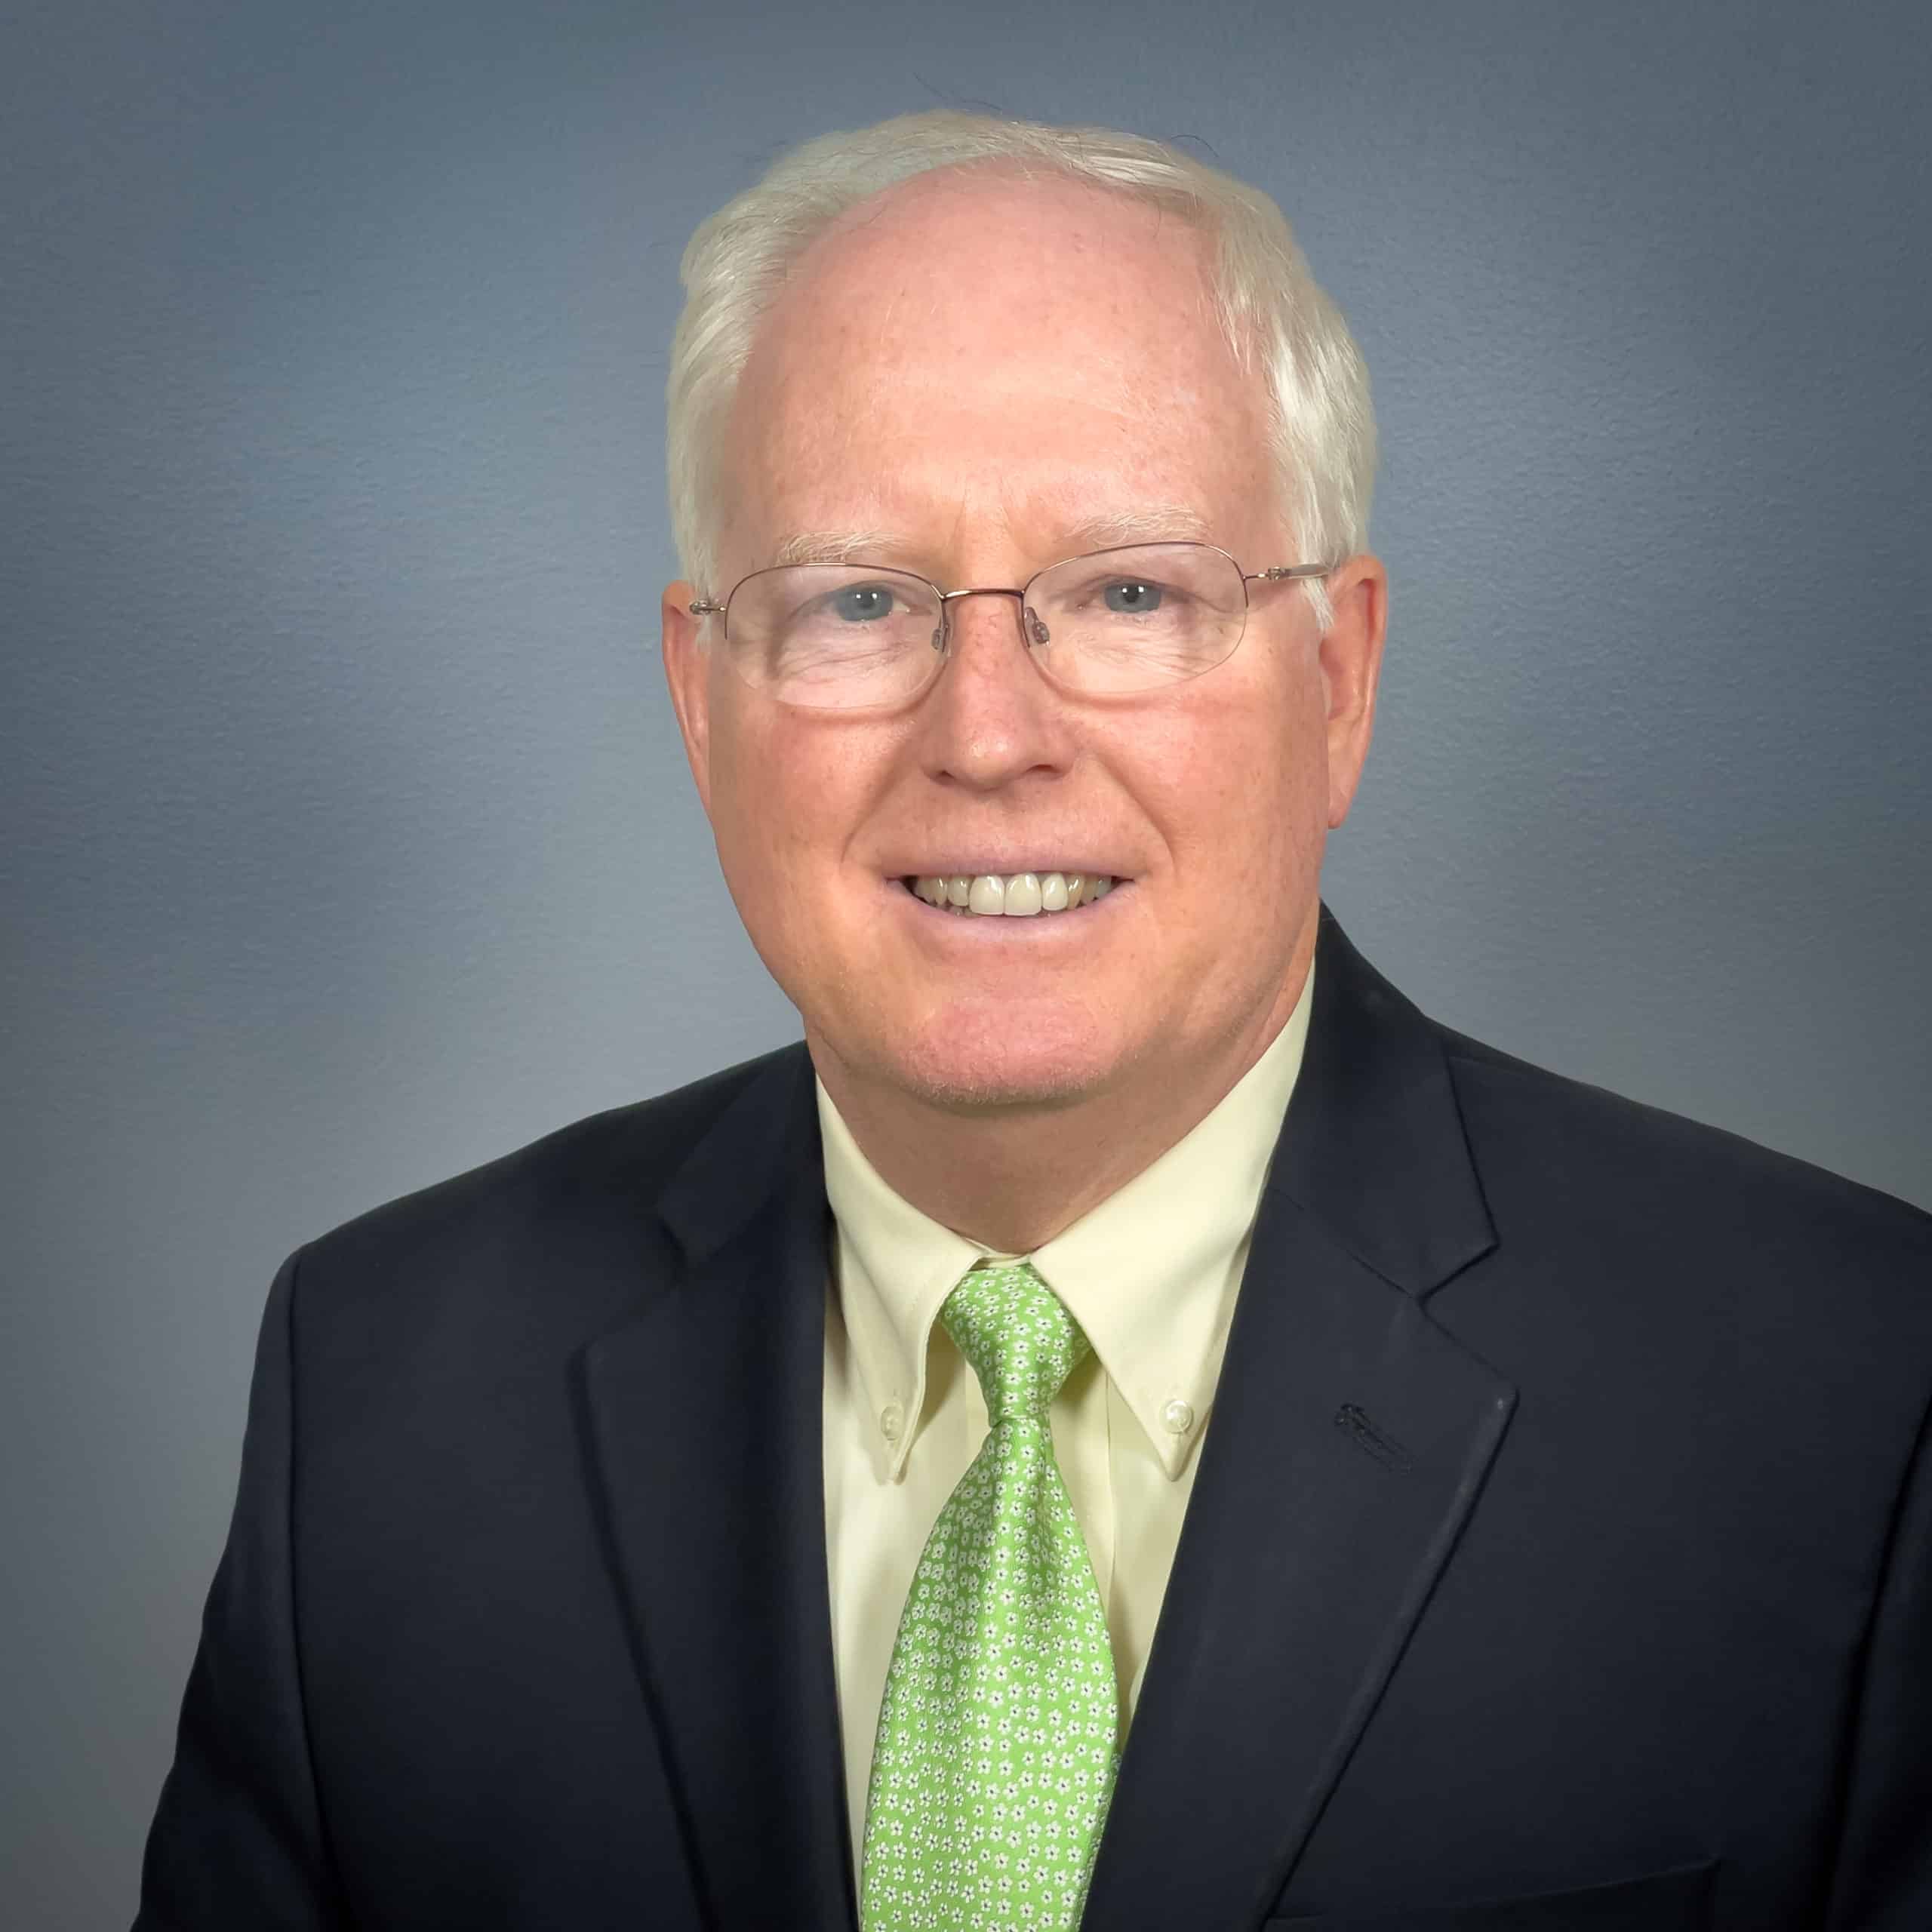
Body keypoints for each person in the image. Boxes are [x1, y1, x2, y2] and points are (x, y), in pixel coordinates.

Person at [135, 110, 1930, 1932]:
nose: (987, 733)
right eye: (857, 601)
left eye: (1128, 591)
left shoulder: (1849, 1399)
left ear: (1336, 679)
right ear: (702, 699)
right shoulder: (382, 1392)